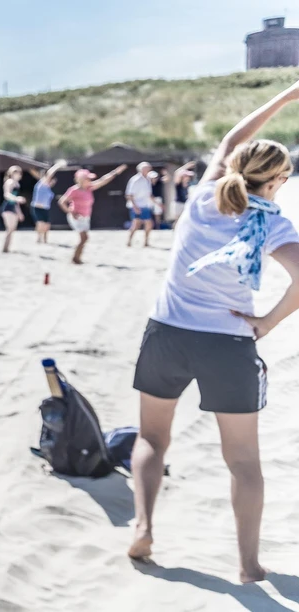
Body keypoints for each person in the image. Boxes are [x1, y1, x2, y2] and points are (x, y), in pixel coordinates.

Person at [127, 79, 299, 584]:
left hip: (167, 334)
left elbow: (228, 141)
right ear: (278, 180)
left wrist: (286, 97)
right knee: (244, 461)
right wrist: (268, 320)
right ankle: (247, 565)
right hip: (228, 345)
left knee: (152, 438)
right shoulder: (274, 223)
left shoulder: (203, 197)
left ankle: (143, 525)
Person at [58, 165, 128, 264]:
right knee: (84, 238)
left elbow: (103, 180)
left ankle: (76, 258)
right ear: (81, 180)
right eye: (88, 179)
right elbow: (62, 202)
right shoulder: (74, 190)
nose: (90, 180)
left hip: (85, 217)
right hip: (77, 217)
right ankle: (75, 258)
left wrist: (115, 172)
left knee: (84, 239)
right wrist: (71, 212)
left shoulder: (89, 188)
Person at [28, 160, 66, 243]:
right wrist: (58, 166)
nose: (52, 182)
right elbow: (49, 174)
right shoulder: (42, 183)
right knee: (40, 223)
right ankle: (38, 238)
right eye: (51, 180)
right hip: (37, 207)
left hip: (45, 208)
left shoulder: (48, 189)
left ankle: (45, 240)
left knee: (47, 225)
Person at [126, 162, 158, 248]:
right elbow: (129, 195)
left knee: (149, 224)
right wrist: (135, 206)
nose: (149, 170)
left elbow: (149, 194)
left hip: (146, 205)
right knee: (136, 224)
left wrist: (157, 204)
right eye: (147, 168)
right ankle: (129, 240)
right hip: (137, 205)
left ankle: (146, 242)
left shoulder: (148, 179)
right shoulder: (135, 180)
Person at [0, 165, 28, 253]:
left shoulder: (17, 184)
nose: (19, 174)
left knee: (12, 229)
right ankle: (4, 248)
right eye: (17, 172)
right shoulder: (10, 182)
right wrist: (17, 198)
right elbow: (7, 195)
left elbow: (16, 203)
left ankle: (7, 248)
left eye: (20, 173)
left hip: (13, 207)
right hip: (7, 207)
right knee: (10, 228)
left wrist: (19, 213)